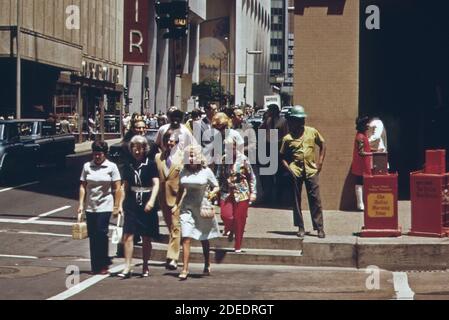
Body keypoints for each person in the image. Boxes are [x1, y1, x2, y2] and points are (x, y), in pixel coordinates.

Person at [172, 145, 221, 280]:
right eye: (189, 156)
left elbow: (216, 186)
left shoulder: (206, 171)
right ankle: (185, 268)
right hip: (187, 207)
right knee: (186, 237)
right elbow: (181, 190)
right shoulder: (183, 171)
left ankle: (207, 262)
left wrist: (212, 193)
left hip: (202, 206)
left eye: (193, 156)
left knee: (203, 237)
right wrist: (176, 204)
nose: (191, 159)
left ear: (199, 157)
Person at [280, 105, 327, 239]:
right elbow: (282, 156)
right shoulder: (287, 138)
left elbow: (323, 144)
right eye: (297, 120)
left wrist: (320, 162)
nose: (301, 122)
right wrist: (289, 170)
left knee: (315, 199)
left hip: (311, 170)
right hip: (296, 171)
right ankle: (300, 226)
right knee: (296, 200)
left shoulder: (312, 132)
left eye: (302, 120)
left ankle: (319, 227)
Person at [118, 135, 160, 278]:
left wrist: (152, 201)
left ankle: (145, 265)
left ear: (144, 149)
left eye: (140, 148)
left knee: (146, 237)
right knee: (128, 234)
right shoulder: (128, 165)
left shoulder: (151, 164)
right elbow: (125, 186)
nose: (137, 151)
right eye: (135, 148)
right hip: (131, 203)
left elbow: (156, 184)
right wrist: (120, 204)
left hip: (147, 201)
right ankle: (127, 266)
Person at [78, 141, 122, 275]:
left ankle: (103, 264)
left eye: (99, 154)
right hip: (91, 206)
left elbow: (117, 188)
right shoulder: (87, 166)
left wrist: (117, 206)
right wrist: (80, 204)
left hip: (105, 205)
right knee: (93, 236)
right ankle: (95, 265)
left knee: (101, 234)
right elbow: (83, 186)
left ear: (105, 154)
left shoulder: (111, 167)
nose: (97, 157)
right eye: (95, 154)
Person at [218, 136, 257, 253]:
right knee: (226, 216)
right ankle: (229, 227)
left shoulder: (244, 160)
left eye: (231, 148)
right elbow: (220, 175)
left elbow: (252, 177)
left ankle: (238, 245)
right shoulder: (224, 159)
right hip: (227, 192)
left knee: (239, 219)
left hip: (242, 192)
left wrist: (253, 192)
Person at [155, 129, 184, 270]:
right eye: (167, 141)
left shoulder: (182, 157)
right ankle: (174, 250)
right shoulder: (158, 157)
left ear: (177, 142)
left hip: (177, 198)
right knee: (171, 227)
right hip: (162, 198)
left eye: (172, 141)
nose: (169, 143)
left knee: (175, 227)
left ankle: (172, 258)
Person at [259, 104, 289, 205]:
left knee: (279, 175)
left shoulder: (283, 121)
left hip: (278, 147)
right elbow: (261, 130)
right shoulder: (268, 120)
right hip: (268, 147)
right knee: (268, 175)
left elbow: (286, 135)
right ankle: (268, 196)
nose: (269, 112)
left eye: (271, 110)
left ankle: (279, 198)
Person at [352, 116, 373, 211]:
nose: (368, 125)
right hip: (361, 164)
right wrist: (372, 153)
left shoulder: (363, 135)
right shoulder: (360, 137)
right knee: (359, 183)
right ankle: (360, 204)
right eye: (366, 123)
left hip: (363, 164)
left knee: (362, 183)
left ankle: (363, 203)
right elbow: (361, 152)